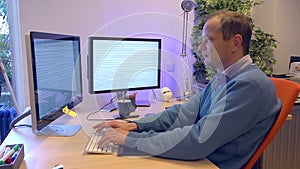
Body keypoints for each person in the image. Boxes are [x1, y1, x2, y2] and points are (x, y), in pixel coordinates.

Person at [93, 10, 281, 169]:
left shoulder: (250, 85)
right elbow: (183, 113)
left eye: (209, 39)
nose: (201, 46)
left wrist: (131, 140)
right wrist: (136, 126)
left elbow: (198, 140)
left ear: (235, 43)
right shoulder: (223, 78)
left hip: (208, 164)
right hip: (200, 159)